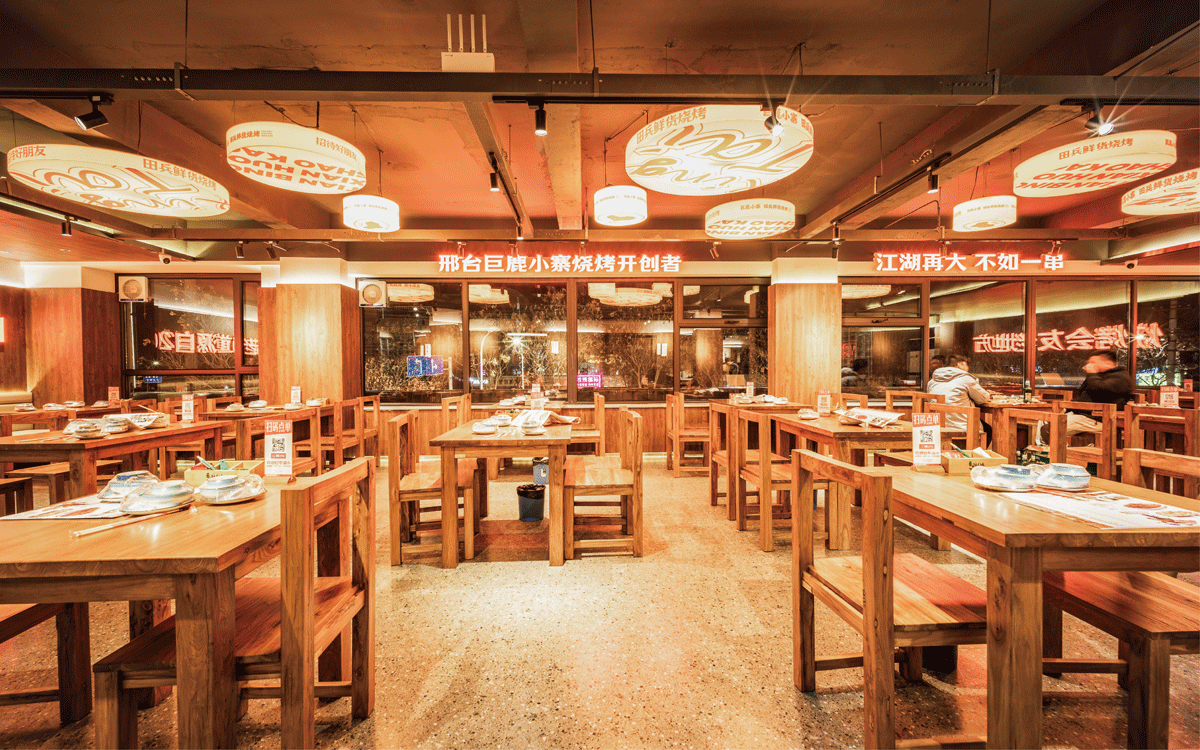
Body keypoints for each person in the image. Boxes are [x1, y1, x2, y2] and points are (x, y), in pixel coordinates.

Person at [927, 354, 992, 444]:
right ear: (959, 365)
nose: (968, 367)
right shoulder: (966, 379)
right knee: (988, 429)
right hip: (962, 426)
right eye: (966, 364)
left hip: (938, 425)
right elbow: (983, 398)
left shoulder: (932, 381)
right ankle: (975, 451)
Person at [1065, 350, 1134, 435]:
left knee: (1056, 426)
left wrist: (1092, 374)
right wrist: (1067, 409)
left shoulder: (1121, 377)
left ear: (1108, 364)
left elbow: (1101, 390)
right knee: (1051, 421)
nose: (1089, 365)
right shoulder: (1098, 376)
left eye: (1093, 362)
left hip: (1101, 419)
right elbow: (1081, 396)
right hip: (1084, 416)